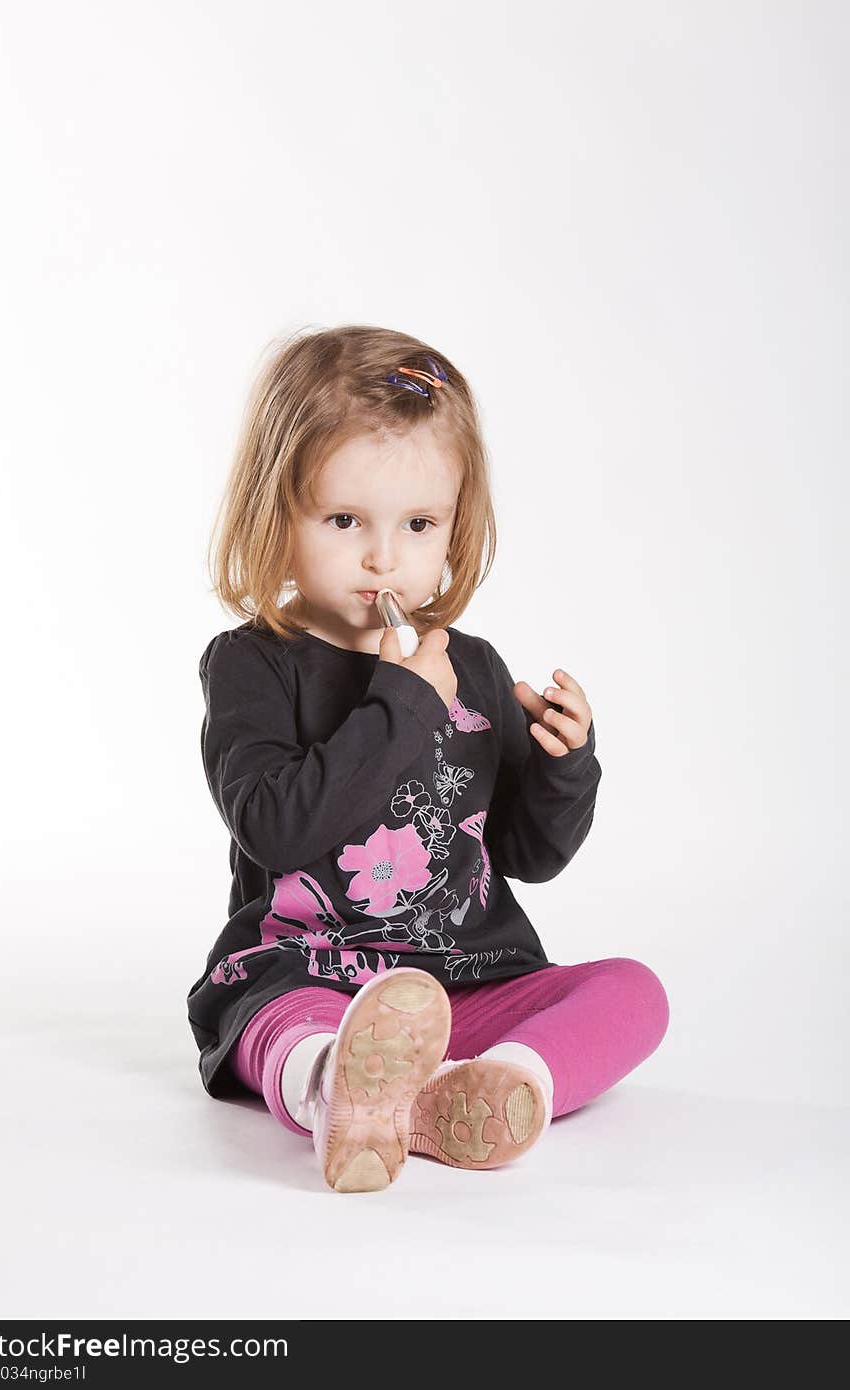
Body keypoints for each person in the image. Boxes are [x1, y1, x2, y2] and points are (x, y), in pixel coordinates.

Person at [187, 324, 669, 1193]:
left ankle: (488, 1087)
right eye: (343, 520)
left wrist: (566, 766)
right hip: (311, 971)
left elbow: (528, 855)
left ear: (456, 522)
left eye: (418, 524)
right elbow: (274, 826)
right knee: (280, 1025)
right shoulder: (253, 664)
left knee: (634, 992)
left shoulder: (472, 665)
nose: (383, 557)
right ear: (277, 514)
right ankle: (338, 1081)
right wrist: (403, 701)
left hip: (470, 981)